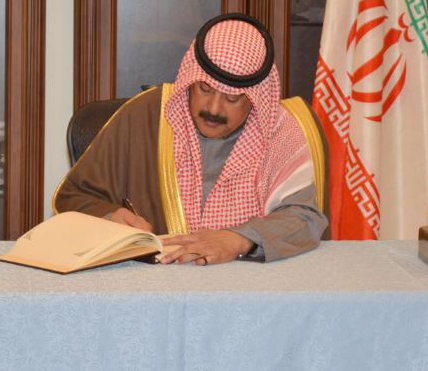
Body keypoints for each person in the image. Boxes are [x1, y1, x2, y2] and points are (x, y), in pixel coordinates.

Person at [54, 13, 328, 265]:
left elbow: (304, 218)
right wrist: (110, 216)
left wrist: (240, 239)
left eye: (232, 98)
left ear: (256, 98)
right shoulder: (143, 117)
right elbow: (74, 196)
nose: (214, 109)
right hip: (153, 287)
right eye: (205, 89)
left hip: (250, 289)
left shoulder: (281, 130)